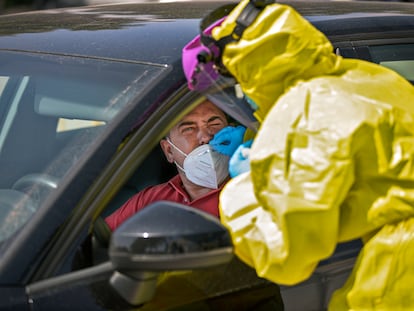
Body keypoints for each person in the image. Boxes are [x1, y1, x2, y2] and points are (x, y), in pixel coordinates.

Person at [182, 0, 414, 310]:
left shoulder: (306, 113)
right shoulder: (368, 79)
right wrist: (262, 140)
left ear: (248, 67)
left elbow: (285, 256)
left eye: (235, 83)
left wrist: (244, 187)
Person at [105, 98, 245, 231]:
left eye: (214, 124)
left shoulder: (250, 186)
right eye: (189, 129)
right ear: (169, 150)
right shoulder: (150, 201)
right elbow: (98, 239)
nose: (206, 137)